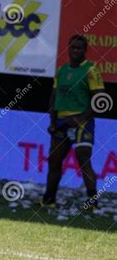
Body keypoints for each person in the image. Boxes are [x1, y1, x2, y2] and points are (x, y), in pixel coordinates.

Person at [41, 35, 105, 211]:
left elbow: (100, 99)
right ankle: (48, 200)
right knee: (54, 161)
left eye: (79, 48)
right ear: (68, 48)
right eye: (73, 47)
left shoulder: (91, 70)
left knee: (84, 158)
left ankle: (92, 202)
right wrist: (53, 122)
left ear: (85, 51)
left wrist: (82, 118)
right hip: (61, 122)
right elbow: (53, 98)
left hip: (82, 121)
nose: (75, 51)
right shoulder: (61, 71)